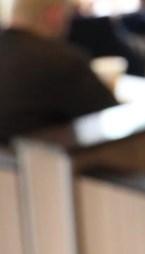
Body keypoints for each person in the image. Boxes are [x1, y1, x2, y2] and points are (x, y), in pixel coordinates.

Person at [0, 0, 118, 145]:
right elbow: (112, 117)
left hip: (11, 155)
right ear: (54, 15)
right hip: (43, 156)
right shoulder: (60, 61)